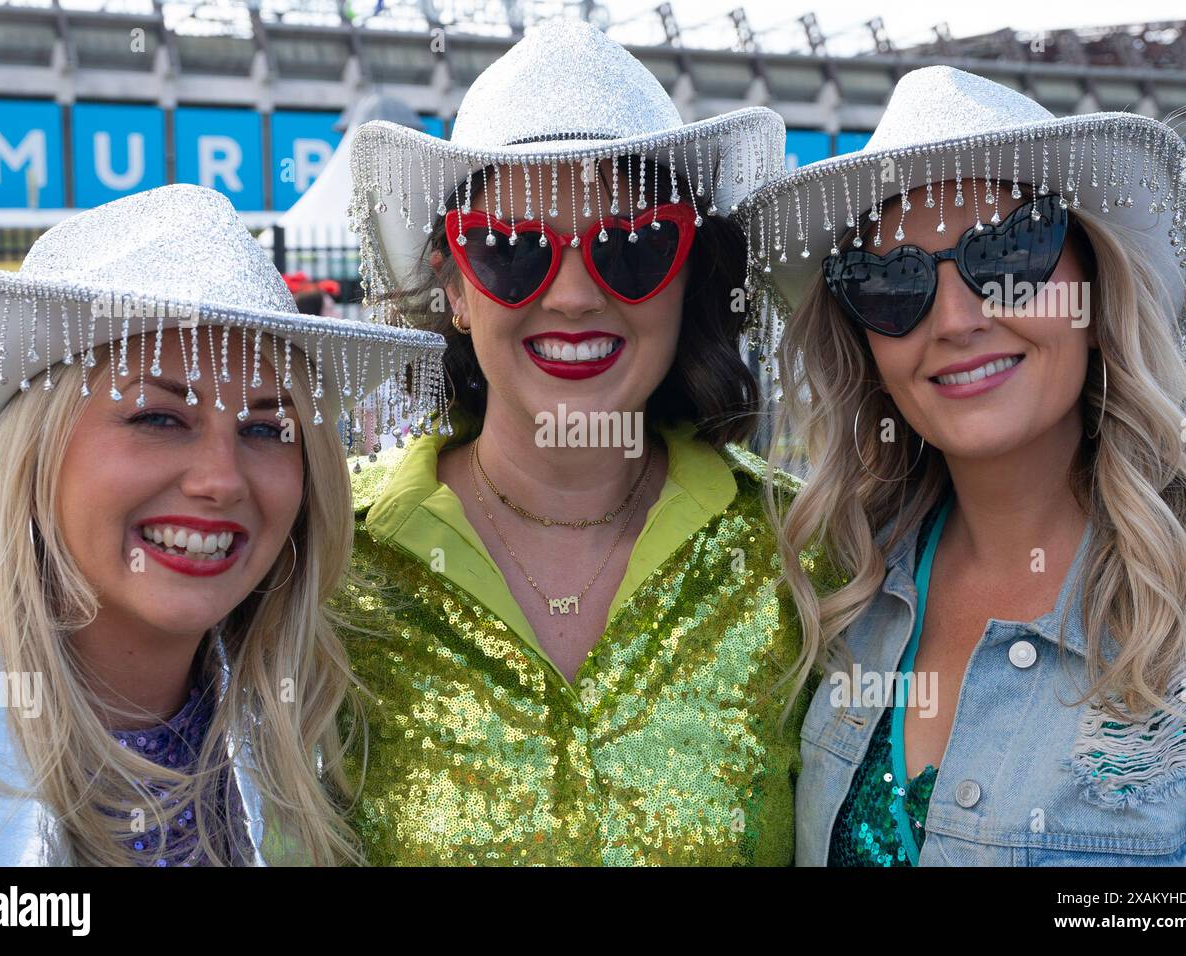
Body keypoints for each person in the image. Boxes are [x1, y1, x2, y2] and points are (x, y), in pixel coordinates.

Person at [331, 18, 843, 865]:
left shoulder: (808, 554)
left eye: (633, 246)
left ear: (686, 276)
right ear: (457, 290)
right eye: (509, 250)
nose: (571, 295)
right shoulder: (328, 558)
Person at [740, 66, 1186, 865]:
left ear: (1095, 287)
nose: (957, 320)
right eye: (890, 281)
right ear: (864, 343)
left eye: (1009, 252)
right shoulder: (842, 587)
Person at [0, 183, 446, 865]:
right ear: (35, 457)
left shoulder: (319, 738)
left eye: (267, 429)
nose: (221, 480)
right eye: (158, 418)